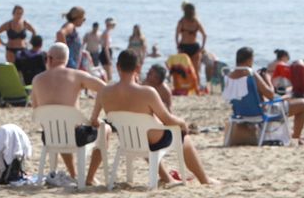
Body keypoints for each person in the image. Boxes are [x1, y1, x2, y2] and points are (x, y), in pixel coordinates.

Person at [92, 49, 216, 185]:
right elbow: (167, 120)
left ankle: (166, 177)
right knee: (183, 138)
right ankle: (204, 180)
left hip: (129, 140)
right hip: (151, 140)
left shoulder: (103, 92)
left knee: (141, 134)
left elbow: (94, 120)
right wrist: (182, 122)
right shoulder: (147, 92)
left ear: (117, 67)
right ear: (138, 68)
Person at [31, 42, 108, 185]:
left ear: (49, 58)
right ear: (66, 59)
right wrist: (94, 116)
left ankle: (74, 174)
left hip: (49, 136)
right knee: (106, 129)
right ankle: (90, 178)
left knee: (60, 127)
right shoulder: (77, 75)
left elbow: (36, 110)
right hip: (75, 136)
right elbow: (104, 89)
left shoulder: (37, 80)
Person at [228, 47, 304, 144]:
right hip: (262, 112)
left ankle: (295, 136)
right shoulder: (252, 75)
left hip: (239, 112)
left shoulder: (229, 76)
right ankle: (296, 138)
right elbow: (271, 95)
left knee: (286, 98)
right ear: (249, 60)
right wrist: (268, 79)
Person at [175, 2, 207, 81]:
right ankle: (196, 88)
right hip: (193, 47)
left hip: (184, 46)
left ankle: (185, 86)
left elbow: (176, 35)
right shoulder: (196, 22)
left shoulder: (182, 22)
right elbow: (204, 35)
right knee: (195, 69)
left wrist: (178, 46)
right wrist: (202, 47)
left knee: (183, 69)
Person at [100, 18, 116, 82]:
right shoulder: (106, 33)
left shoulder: (106, 32)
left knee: (107, 74)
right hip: (106, 53)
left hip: (105, 52)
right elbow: (106, 47)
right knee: (109, 75)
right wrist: (109, 59)